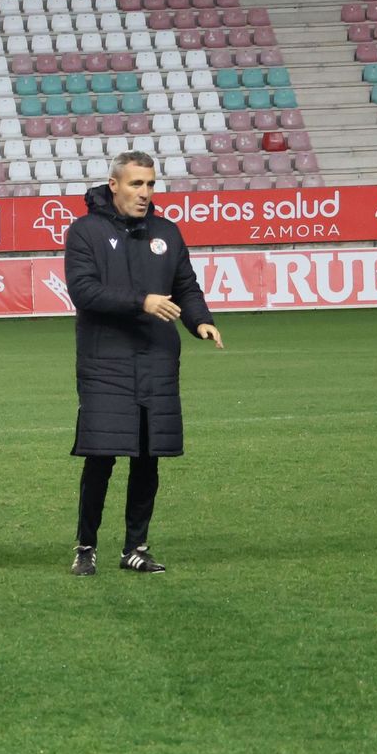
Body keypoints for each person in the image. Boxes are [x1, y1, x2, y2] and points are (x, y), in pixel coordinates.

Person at [64, 150, 223, 576]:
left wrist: (201, 321)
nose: (145, 193)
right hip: (105, 361)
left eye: (151, 184)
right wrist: (142, 301)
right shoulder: (85, 232)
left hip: (156, 358)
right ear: (113, 184)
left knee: (148, 457)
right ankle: (86, 546)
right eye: (136, 184)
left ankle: (135, 545)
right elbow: (84, 292)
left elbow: (186, 287)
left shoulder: (166, 232)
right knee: (101, 456)